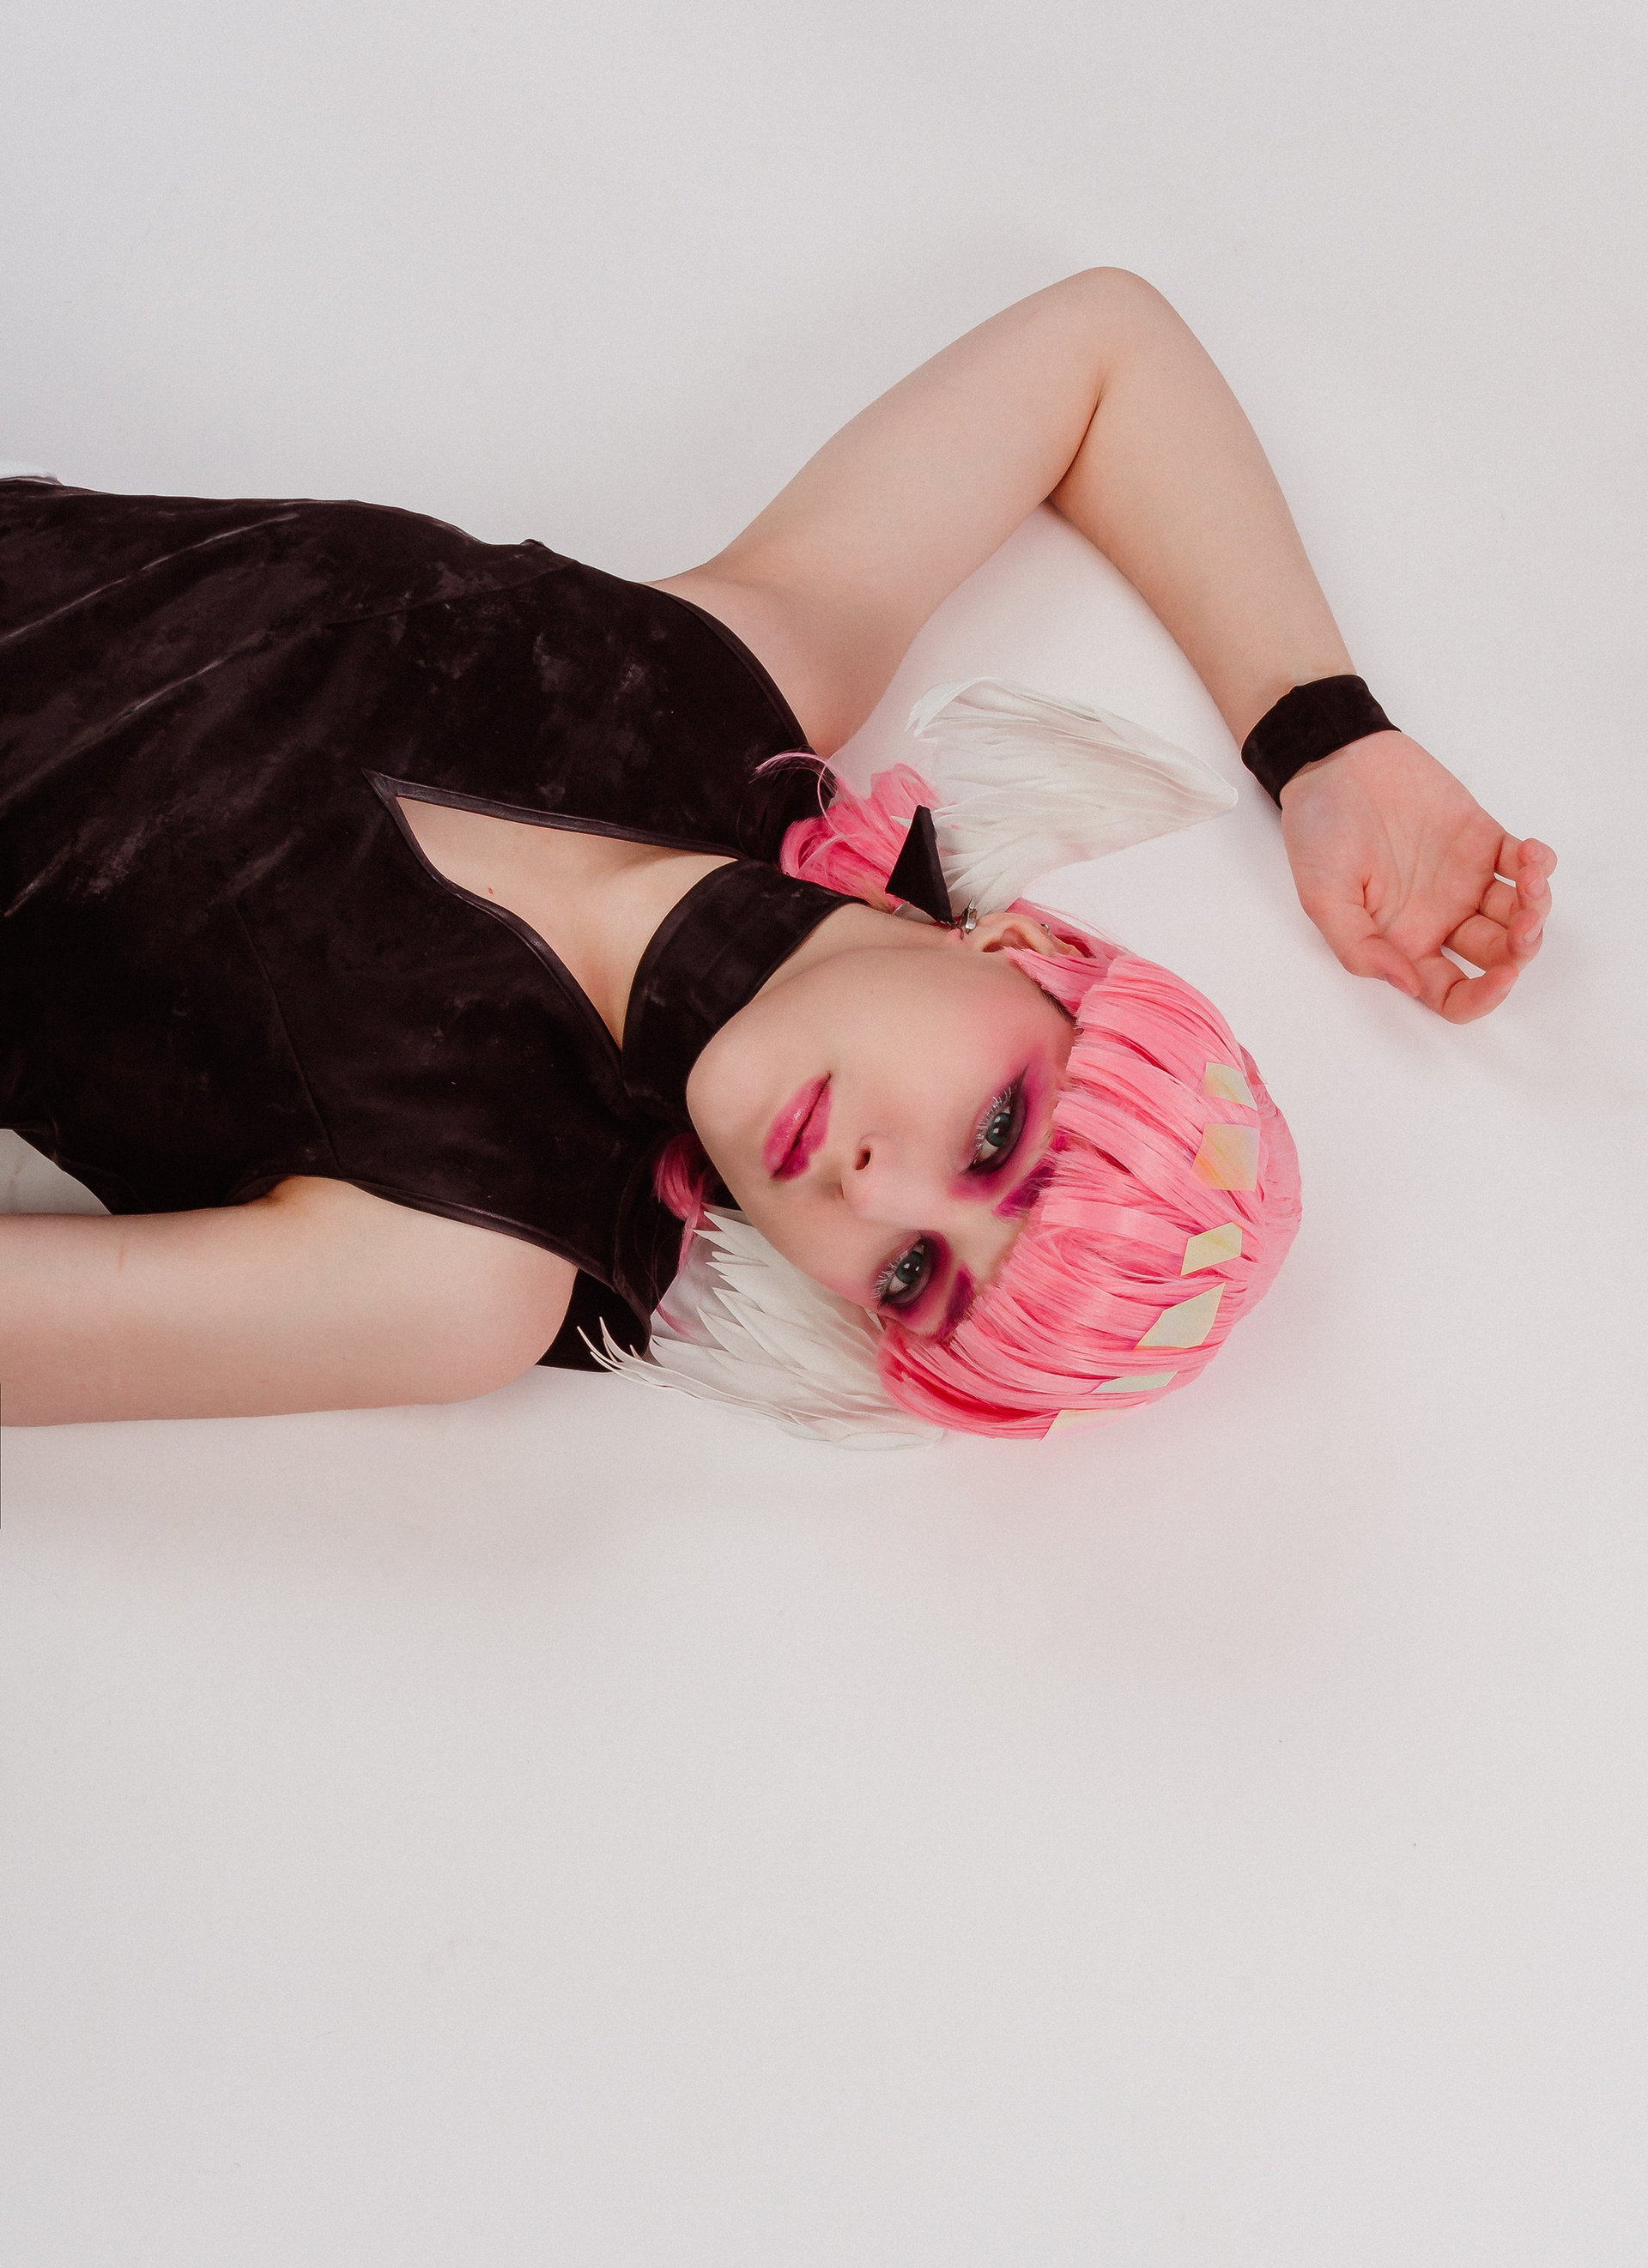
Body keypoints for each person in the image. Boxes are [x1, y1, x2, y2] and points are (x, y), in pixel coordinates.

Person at [0, 269, 1554, 1436]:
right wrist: (1324, 739)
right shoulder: (729, 680)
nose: (881, 1196)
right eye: (998, 1134)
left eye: (913, 1278)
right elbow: (1102, 350)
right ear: (1023, 955)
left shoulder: (465, 1267)